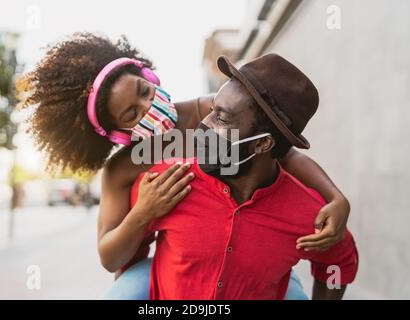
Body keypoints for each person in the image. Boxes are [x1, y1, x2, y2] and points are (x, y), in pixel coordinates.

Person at [18, 33, 351, 299]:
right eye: (132, 114)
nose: (149, 106)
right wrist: (143, 212)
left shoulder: (210, 112)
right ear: (120, 135)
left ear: (149, 75)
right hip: (158, 269)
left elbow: (282, 152)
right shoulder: (125, 167)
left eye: (144, 91)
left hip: (253, 263)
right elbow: (109, 256)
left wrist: (336, 199)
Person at [126, 54, 358, 299]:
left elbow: (339, 263)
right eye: (212, 110)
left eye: (222, 118)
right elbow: (128, 252)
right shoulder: (166, 183)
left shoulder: (312, 216)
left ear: (263, 143)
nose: (204, 124)